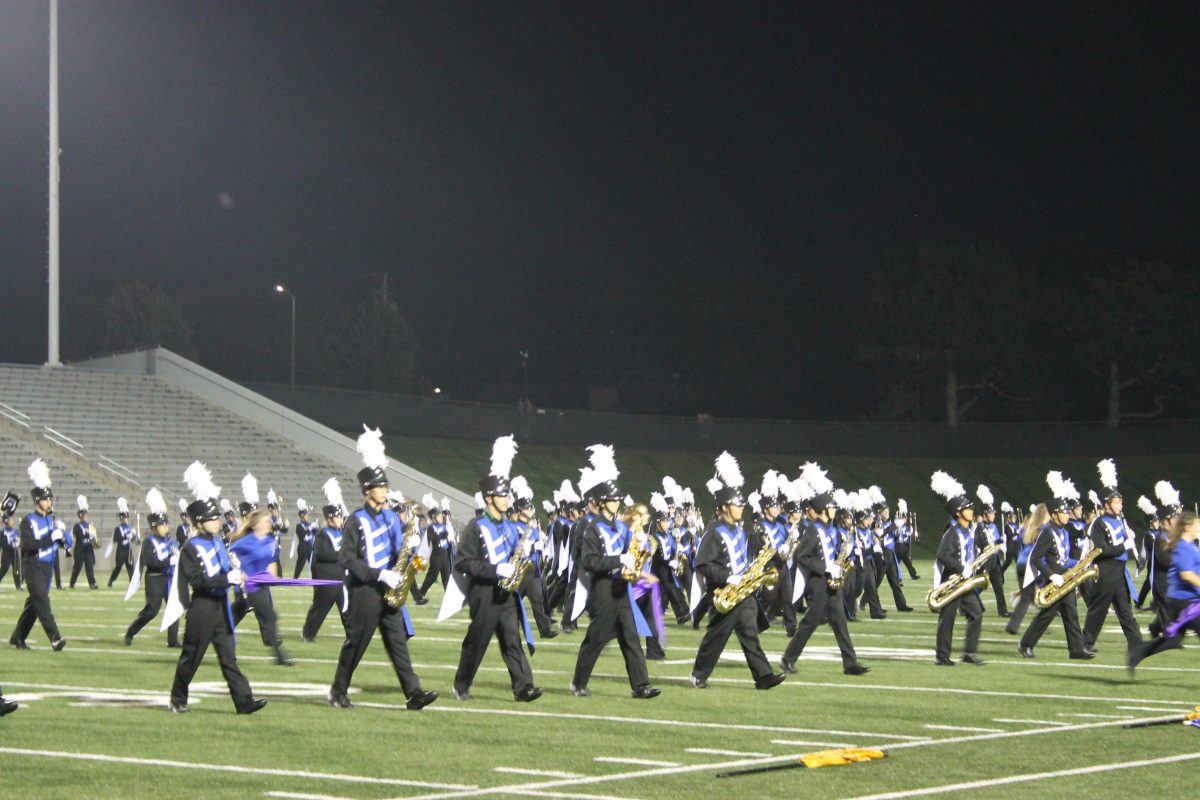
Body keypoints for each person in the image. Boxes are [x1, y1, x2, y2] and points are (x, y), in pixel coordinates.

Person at [328, 427, 437, 711]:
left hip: (389, 590)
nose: (385, 490)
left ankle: (413, 693)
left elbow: (397, 552)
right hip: (365, 591)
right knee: (356, 643)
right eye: (380, 487)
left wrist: (413, 551)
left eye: (385, 486)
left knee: (398, 642)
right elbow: (348, 560)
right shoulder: (356, 520)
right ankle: (338, 691)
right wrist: (379, 573)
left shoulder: (391, 517)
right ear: (367, 491)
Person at [450, 435, 542, 702]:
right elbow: (463, 562)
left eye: (507, 494)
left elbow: (515, 554)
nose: (507, 499)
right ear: (490, 498)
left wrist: (524, 553)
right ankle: (461, 684)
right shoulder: (476, 527)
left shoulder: (509, 526)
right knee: (477, 642)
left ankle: (523, 687)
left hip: (507, 594)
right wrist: (495, 569)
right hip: (484, 593)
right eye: (503, 495)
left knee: (512, 641)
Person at [169, 462, 266, 715]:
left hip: (221, 608)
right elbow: (198, 581)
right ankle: (178, 699)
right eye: (211, 519)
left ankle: (244, 701)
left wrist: (235, 572)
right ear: (200, 522)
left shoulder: (219, 543)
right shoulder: (190, 548)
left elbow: (225, 571)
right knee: (192, 658)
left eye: (216, 517)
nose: (216, 521)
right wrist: (228, 578)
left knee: (229, 658)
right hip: (202, 608)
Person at [569, 446, 660, 699]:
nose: (617, 502)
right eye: (612, 499)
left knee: (631, 638)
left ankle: (641, 686)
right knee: (596, 640)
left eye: (618, 498)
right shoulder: (592, 529)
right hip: (602, 591)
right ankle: (578, 682)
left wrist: (640, 551)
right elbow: (589, 562)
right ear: (601, 502)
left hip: (622, 589)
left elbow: (632, 551)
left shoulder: (622, 529)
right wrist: (619, 559)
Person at [690, 452, 785, 691]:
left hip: (743, 592)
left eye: (742, 504)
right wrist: (728, 577)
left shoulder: (738, 531)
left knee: (750, 634)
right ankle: (698, 674)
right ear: (723, 507)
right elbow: (702, 564)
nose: (741, 508)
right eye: (736, 505)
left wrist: (753, 573)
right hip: (724, 592)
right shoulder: (714, 532)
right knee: (716, 636)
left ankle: (763, 676)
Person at [781, 463, 869, 676]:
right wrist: (825, 567)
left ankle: (850, 664)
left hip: (833, 583)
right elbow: (803, 557)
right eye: (831, 507)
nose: (834, 509)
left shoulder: (829, 529)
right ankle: (787, 659)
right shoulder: (812, 530)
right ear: (822, 510)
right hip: (819, 584)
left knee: (841, 625)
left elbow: (832, 553)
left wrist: (842, 558)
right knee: (809, 623)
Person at [1017, 472, 1094, 660]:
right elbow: (1035, 558)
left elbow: (1063, 558)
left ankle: (1076, 649)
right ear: (1055, 515)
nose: (1067, 515)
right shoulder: (1047, 533)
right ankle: (1025, 644)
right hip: (1054, 580)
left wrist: (1079, 565)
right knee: (1047, 616)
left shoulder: (1063, 533)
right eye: (1064, 512)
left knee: (1071, 614)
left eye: (1068, 512)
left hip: (1065, 578)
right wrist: (1051, 576)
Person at [1080, 459, 1143, 655]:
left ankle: (1136, 643)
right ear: (1107, 504)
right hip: (1106, 570)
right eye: (1116, 502)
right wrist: (1123, 545)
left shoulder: (1120, 521)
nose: (1120, 505)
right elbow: (1100, 550)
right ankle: (1086, 642)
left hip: (1120, 571)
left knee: (1125, 610)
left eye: (1120, 501)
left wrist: (1129, 538)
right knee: (1098, 609)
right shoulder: (1099, 524)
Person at [1128, 511, 1200, 674]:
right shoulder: (1183, 547)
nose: (1199, 528)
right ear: (1188, 527)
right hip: (1185, 602)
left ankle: (1137, 653)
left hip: (1187, 601)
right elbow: (1186, 574)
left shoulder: (1190, 546)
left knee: (1173, 640)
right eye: (1197, 525)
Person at [9, 460, 67, 651]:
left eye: (50, 499)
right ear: (37, 501)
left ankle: (18, 637)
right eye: (45, 499)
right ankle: (55, 638)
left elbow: (63, 542)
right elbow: (28, 545)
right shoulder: (28, 521)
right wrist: (51, 537)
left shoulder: (50, 520)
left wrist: (64, 536)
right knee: (42, 601)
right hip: (32, 565)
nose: (49, 502)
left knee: (34, 603)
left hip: (47, 568)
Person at [929, 471, 985, 666]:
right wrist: (962, 568)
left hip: (965, 581)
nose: (972, 510)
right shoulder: (952, 532)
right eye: (968, 508)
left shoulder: (968, 531)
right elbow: (942, 555)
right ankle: (942, 656)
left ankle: (969, 652)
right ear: (959, 512)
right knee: (948, 619)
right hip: (952, 581)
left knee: (976, 612)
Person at [229, 509, 293, 666]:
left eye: (269, 521)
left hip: (262, 587)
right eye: (265, 521)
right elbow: (229, 557)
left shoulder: (271, 541)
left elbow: (271, 562)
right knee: (270, 616)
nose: (268, 524)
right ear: (256, 525)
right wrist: (240, 572)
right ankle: (280, 657)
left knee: (231, 618)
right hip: (247, 587)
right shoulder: (244, 542)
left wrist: (274, 578)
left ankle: (211, 634)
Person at [124, 488, 181, 648]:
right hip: (155, 579)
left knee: (173, 607)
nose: (166, 528)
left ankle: (173, 640)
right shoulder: (149, 542)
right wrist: (169, 561)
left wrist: (177, 555)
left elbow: (176, 556)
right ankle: (131, 631)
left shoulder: (169, 540)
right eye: (162, 526)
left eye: (166, 525)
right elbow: (150, 561)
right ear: (155, 527)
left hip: (168, 578)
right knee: (152, 611)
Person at [302, 479, 347, 642]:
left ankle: (353, 634)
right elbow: (322, 554)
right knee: (320, 608)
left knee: (347, 607)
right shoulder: (323, 534)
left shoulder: (342, 533)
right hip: (326, 577)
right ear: (330, 518)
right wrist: (341, 554)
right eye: (338, 516)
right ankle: (308, 633)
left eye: (341, 516)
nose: (341, 518)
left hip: (341, 576)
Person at [975, 486, 1009, 617]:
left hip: (994, 559)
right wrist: (997, 542)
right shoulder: (980, 527)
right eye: (991, 513)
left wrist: (1001, 542)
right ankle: (965, 603)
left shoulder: (994, 526)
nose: (994, 515)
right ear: (984, 515)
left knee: (998, 586)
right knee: (981, 585)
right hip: (985, 559)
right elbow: (981, 543)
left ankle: (1003, 610)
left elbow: (996, 540)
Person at [417, 498, 454, 601]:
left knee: (447, 578)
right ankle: (420, 593)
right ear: (433, 518)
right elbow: (430, 541)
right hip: (436, 556)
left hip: (445, 555)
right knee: (431, 577)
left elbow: (450, 541)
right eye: (438, 516)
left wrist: (450, 536)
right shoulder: (431, 528)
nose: (441, 517)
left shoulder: (445, 526)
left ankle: (450, 599)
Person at [70, 495, 99, 589]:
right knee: (77, 568)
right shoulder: (77, 526)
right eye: (85, 515)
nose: (86, 517)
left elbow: (93, 539)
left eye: (87, 515)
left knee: (89, 567)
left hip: (88, 549)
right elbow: (79, 537)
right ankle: (72, 582)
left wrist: (94, 538)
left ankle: (92, 583)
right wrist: (88, 535)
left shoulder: (90, 525)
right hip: (80, 549)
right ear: (81, 516)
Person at [108, 497, 137, 587]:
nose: (126, 519)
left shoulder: (130, 528)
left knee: (131, 567)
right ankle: (111, 580)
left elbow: (134, 539)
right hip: (121, 551)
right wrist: (126, 536)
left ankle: (132, 583)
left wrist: (134, 536)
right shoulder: (118, 528)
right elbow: (117, 539)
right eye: (124, 517)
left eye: (126, 517)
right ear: (121, 518)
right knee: (118, 568)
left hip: (129, 550)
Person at [292, 499, 318, 579]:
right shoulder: (299, 526)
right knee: (300, 564)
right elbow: (302, 534)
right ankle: (295, 578)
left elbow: (316, 533)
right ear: (301, 516)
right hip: (303, 547)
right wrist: (311, 527)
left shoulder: (310, 524)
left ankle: (315, 578)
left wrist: (316, 526)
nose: (307, 517)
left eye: (307, 515)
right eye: (305, 515)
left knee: (313, 563)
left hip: (310, 546)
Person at [0, 501, 21, 590]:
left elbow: (19, 540)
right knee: (4, 569)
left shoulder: (16, 531)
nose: (13, 521)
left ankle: (18, 586)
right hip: (7, 553)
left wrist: (18, 543)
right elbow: (3, 544)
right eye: (11, 520)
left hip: (15, 551)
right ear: (7, 521)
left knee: (17, 569)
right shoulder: (3, 532)